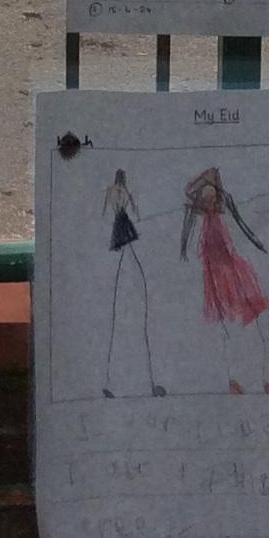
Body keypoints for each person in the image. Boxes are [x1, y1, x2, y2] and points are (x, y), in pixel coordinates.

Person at [181, 166, 269, 394]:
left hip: (231, 271)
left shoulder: (223, 212)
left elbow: (242, 227)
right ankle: (235, 378)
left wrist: (257, 242)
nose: (209, 199)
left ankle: (261, 376)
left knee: (246, 322)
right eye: (205, 196)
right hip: (214, 276)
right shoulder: (199, 218)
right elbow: (188, 195)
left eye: (212, 194)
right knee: (228, 328)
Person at [101, 170, 165, 397]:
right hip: (123, 240)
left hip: (122, 241)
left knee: (131, 313)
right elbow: (133, 213)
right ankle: (125, 382)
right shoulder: (120, 194)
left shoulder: (112, 193)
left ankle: (121, 382)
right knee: (133, 313)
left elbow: (107, 213)